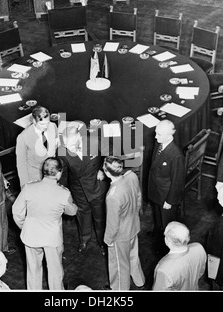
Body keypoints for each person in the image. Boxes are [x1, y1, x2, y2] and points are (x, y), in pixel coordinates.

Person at [12, 157, 77, 290]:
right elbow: (72, 212)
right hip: (52, 239)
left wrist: (25, 226)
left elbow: (16, 211)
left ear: (44, 171)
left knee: (33, 270)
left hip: (31, 236)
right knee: (55, 271)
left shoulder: (29, 187)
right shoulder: (63, 193)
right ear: (59, 173)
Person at [58, 125, 108, 255]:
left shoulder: (95, 141)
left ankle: (103, 242)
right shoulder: (62, 151)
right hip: (78, 189)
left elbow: (111, 156)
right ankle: (84, 239)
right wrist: (64, 193)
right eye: (68, 146)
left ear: (80, 137)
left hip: (96, 186)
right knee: (83, 215)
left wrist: (103, 170)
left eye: (74, 145)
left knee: (100, 217)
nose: (71, 149)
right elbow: (63, 175)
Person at [102, 157, 145, 291]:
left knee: (119, 266)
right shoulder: (131, 176)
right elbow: (138, 197)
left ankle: (119, 290)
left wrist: (108, 240)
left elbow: (113, 224)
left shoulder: (113, 196)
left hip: (120, 236)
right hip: (133, 226)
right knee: (133, 256)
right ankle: (140, 282)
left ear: (107, 172)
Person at [147, 120, 185, 232]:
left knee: (167, 227)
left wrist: (170, 201)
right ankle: (157, 236)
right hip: (156, 192)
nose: (155, 137)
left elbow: (177, 181)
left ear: (169, 136)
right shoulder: (159, 144)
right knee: (158, 220)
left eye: (159, 134)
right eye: (156, 133)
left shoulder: (176, 155)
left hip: (166, 197)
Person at [152, 221, 206, 291]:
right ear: (188, 238)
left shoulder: (163, 269)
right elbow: (200, 272)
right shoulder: (198, 247)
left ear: (167, 241)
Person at [16, 106, 58, 189]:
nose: (46, 126)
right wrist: (25, 186)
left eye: (47, 123)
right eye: (42, 124)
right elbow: (21, 165)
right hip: (35, 177)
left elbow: (56, 146)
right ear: (34, 121)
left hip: (52, 175)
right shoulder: (23, 137)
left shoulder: (53, 126)